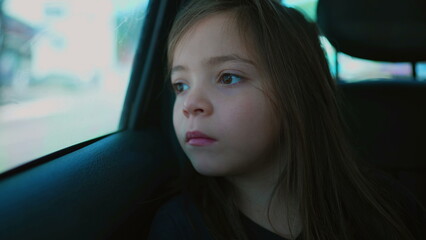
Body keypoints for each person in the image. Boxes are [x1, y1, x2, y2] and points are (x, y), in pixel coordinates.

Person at [147, 0, 426, 239]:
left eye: (228, 77)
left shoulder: (385, 212)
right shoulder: (180, 227)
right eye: (180, 85)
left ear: (297, 93)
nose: (190, 104)